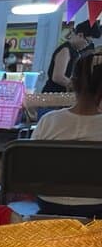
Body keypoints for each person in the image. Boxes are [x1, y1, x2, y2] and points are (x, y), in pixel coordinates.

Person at [32, 51, 102, 217]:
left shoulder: (48, 121)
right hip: (96, 206)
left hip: (48, 204)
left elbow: (31, 168)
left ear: (73, 83)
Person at [44, 20, 98, 93]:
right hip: (53, 96)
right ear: (80, 35)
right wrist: (80, 87)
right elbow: (58, 77)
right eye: (88, 41)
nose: (87, 45)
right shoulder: (65, 50)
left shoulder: (75, 52)